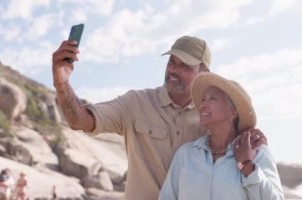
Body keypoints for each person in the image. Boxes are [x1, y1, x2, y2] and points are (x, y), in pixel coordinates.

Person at [52, 35, 266, 199]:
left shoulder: (211, 115)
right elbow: (79, 120)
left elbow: (243, 148)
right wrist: (61, 83)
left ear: (204, 72)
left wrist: (255, 142)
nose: (174, 70)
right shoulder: (135, 103)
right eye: (172, 62)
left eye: (184, 66)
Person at [159, 72, 284, 199]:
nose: (202, 105)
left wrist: (247, 165)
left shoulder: (258, 153)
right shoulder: (186, 154)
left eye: (212, 98)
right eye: (203, 99)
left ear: (232, 111)